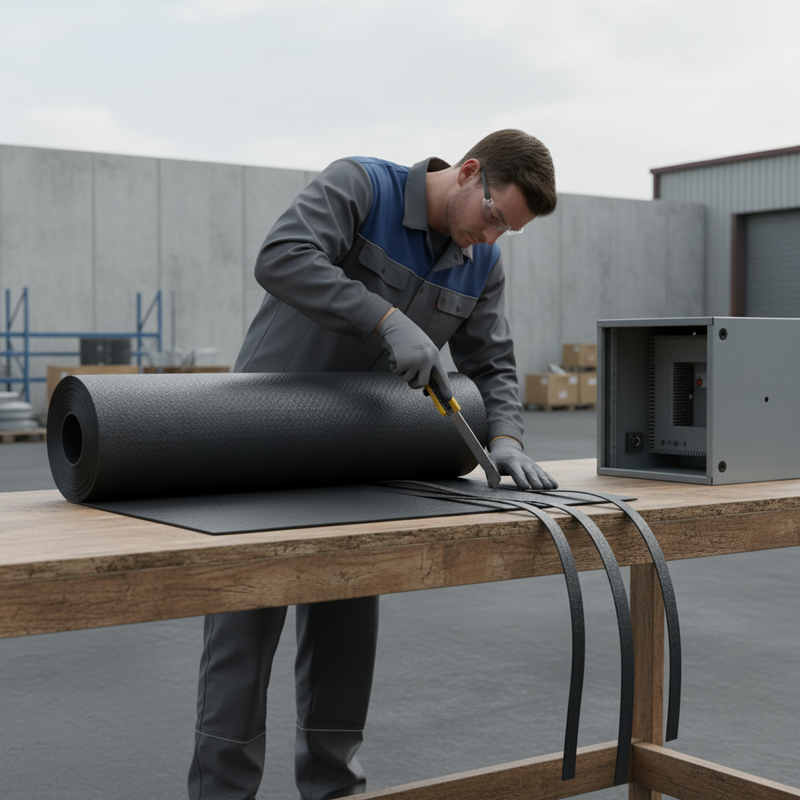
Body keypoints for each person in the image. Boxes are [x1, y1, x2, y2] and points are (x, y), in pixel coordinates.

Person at [188, 129, 559, 800]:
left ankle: (334, 790)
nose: (491, 238)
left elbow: (493, 362)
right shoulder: (361, 187)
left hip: (358, 463)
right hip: (262, 448)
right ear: (469, 172)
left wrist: (505, 438)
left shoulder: (480, 262)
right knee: (241, 646)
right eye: (494, 216)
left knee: (345, 645)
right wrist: (383, 317)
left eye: (508, 231)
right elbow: (282, 256)